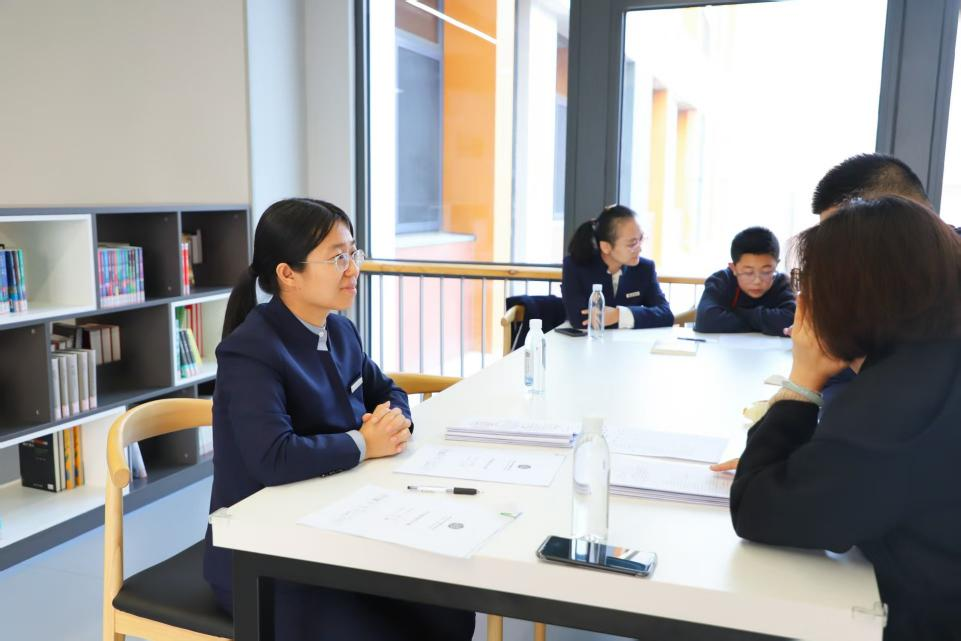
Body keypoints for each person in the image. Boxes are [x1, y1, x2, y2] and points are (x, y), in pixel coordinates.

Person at [202, 198, 475, 641]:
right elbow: (273, 457)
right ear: (287, 274)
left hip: (339, 526)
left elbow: (388, 389)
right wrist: (364, 443)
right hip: (265, 556)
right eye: (337, 258)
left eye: (353, 253)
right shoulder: (250, 350)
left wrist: (393, 421)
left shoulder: (340, 329)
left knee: (451, 615)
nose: (353, 269)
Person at [729, 196, 961, 640]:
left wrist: (804, 378)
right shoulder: (934, 365)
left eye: (809, 282)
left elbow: (757, 509)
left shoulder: (894, 406)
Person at [561, 204, 673, 330]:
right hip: (589, 341)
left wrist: (619, 315)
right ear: (606, 247)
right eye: (632, 244)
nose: (640, 249)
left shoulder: (645, 268)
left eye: (640, 239)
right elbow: (579, 320)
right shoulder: (575, 266)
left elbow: (666, 315)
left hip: (630, 342)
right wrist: (638, 319)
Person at [694, 226, 795, 335]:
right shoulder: (721, 280)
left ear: (776, 265)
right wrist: (769, 323)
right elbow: (706, 320)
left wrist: (737, 313)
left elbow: (792, 320)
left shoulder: (782, 283)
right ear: (734, 268)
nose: (757, 281)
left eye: (766, 271)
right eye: (748, 272)